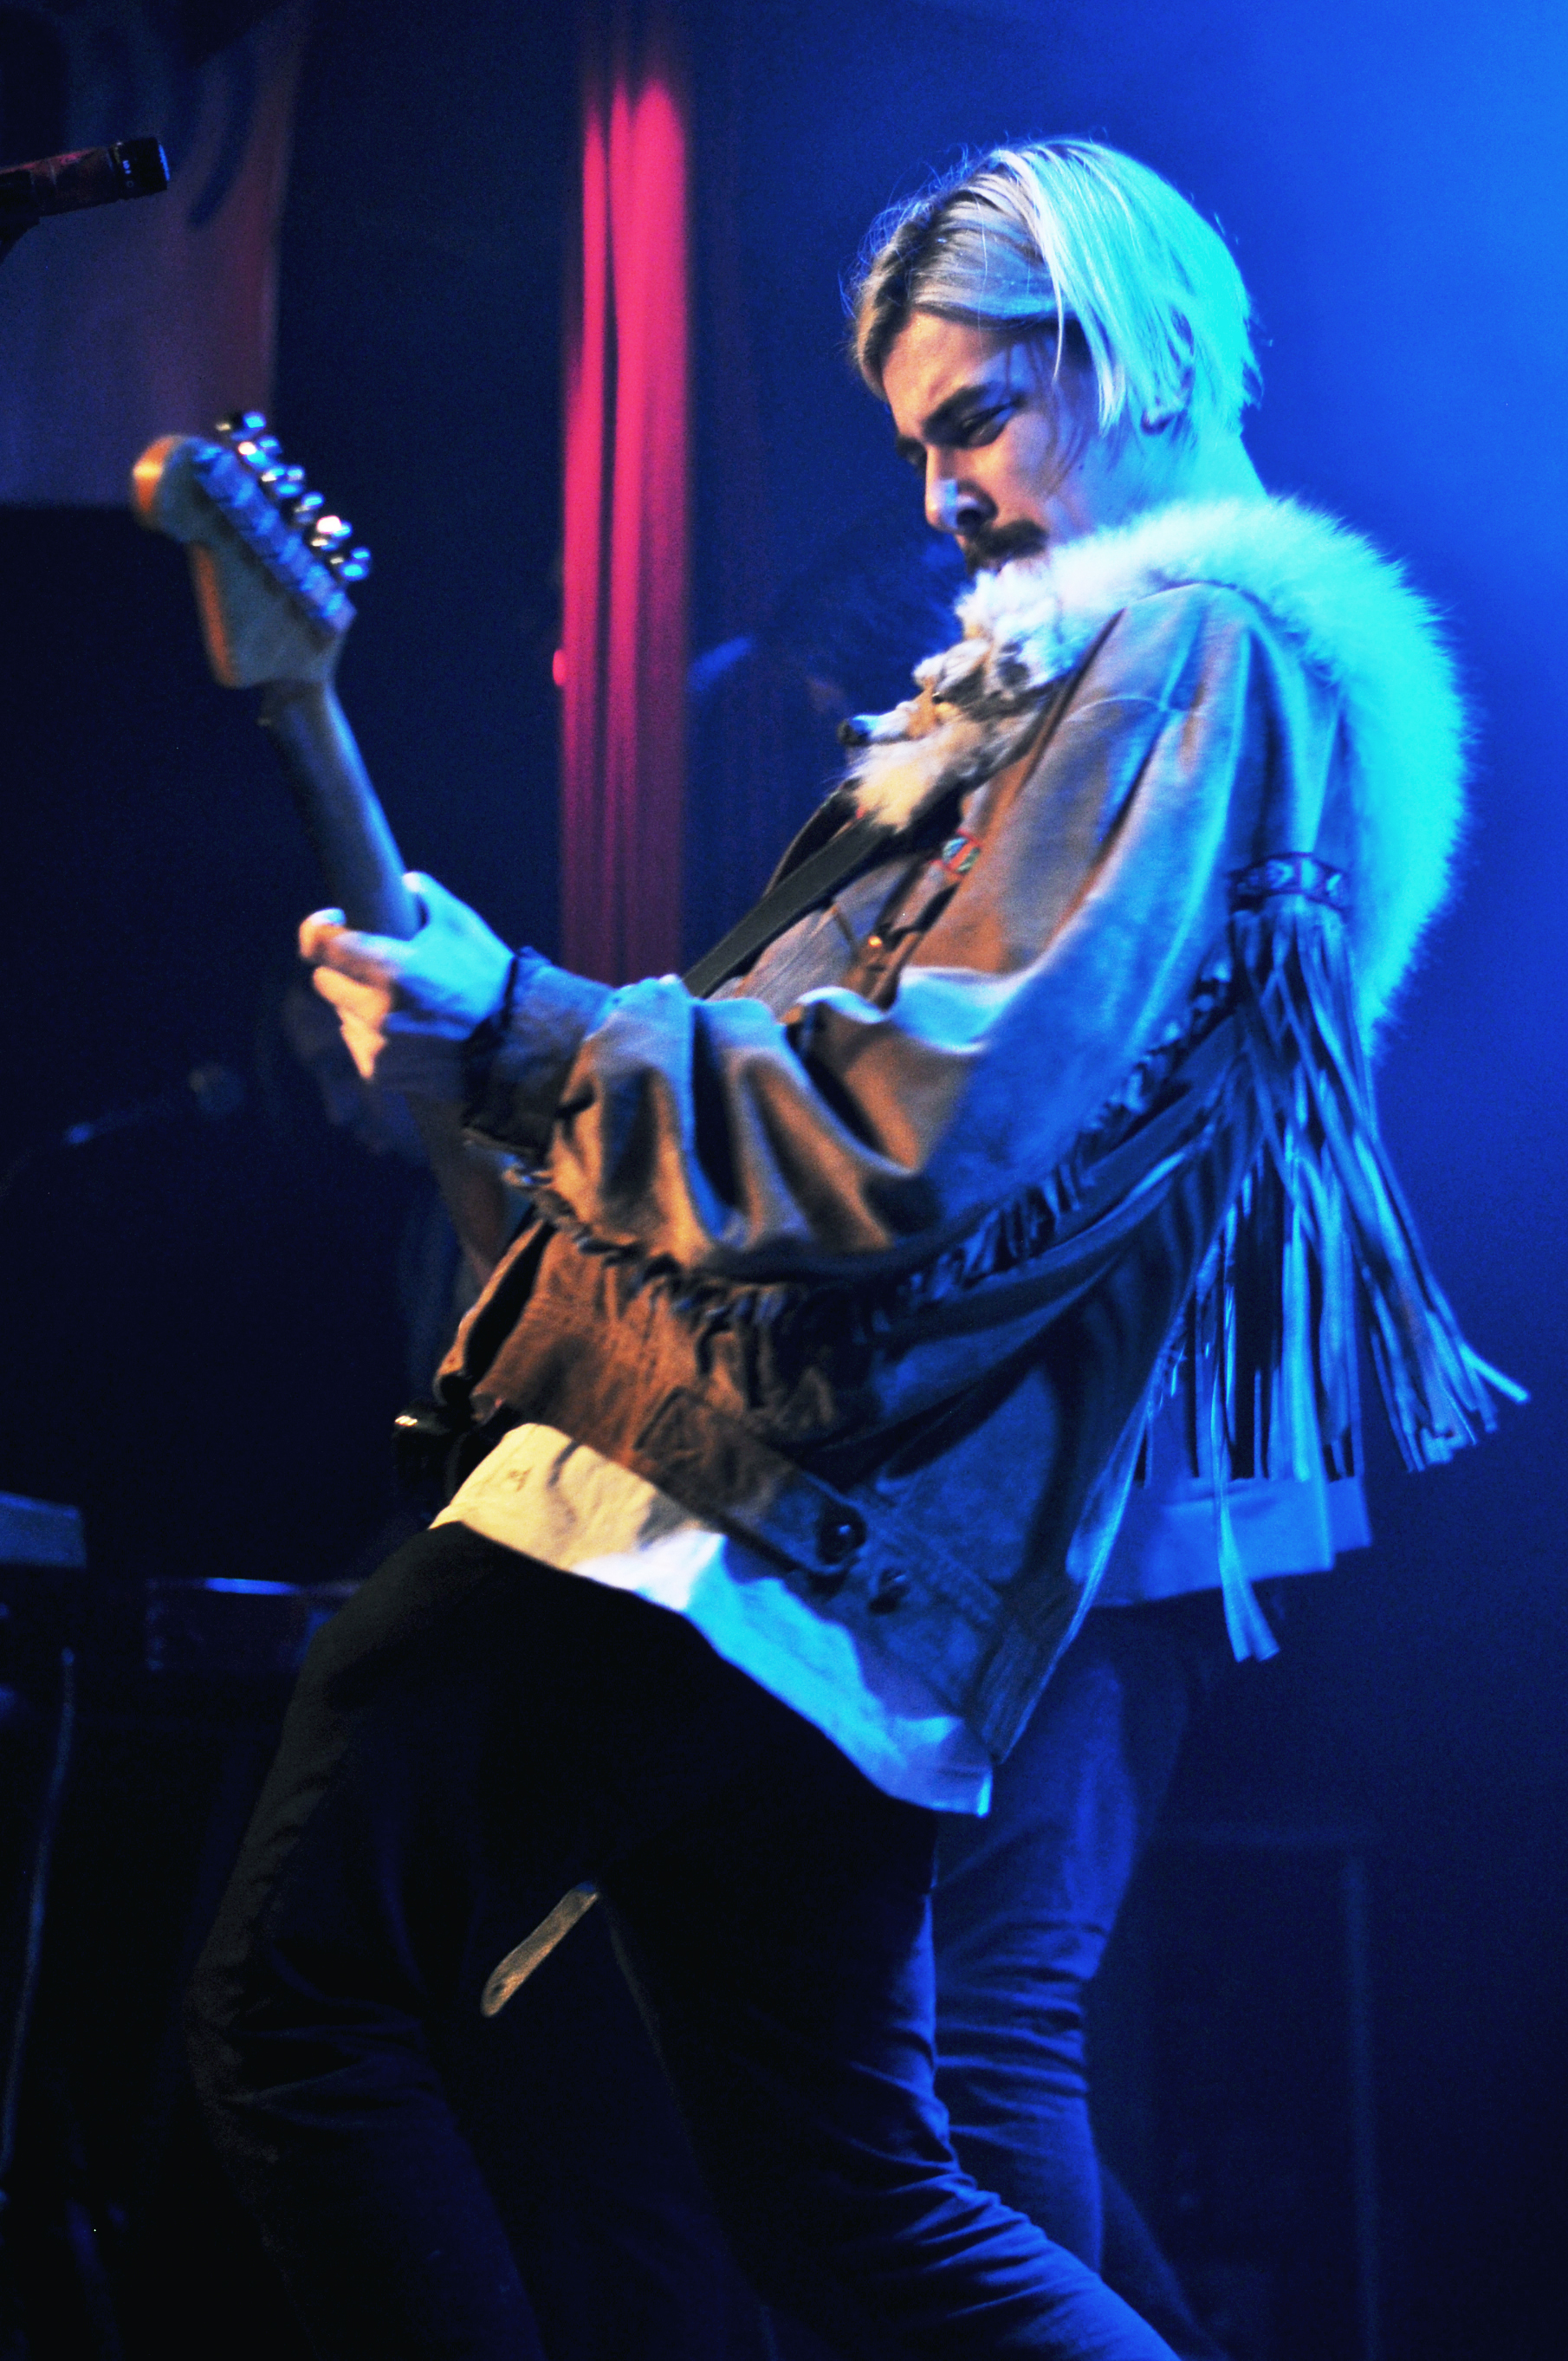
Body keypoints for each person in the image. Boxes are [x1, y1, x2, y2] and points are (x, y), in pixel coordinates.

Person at [186, 140, 1512, 2360]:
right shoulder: (1152, 678)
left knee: (314, 2013)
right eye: (918, 441)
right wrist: (526, 1033)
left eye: (972, 418)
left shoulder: (1183, 656)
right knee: (858, 2192)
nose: (939, 497)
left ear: (1135, 350)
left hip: (756, 1483)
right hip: (841, 1525)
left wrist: (526, 1026)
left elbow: (918, 1123)